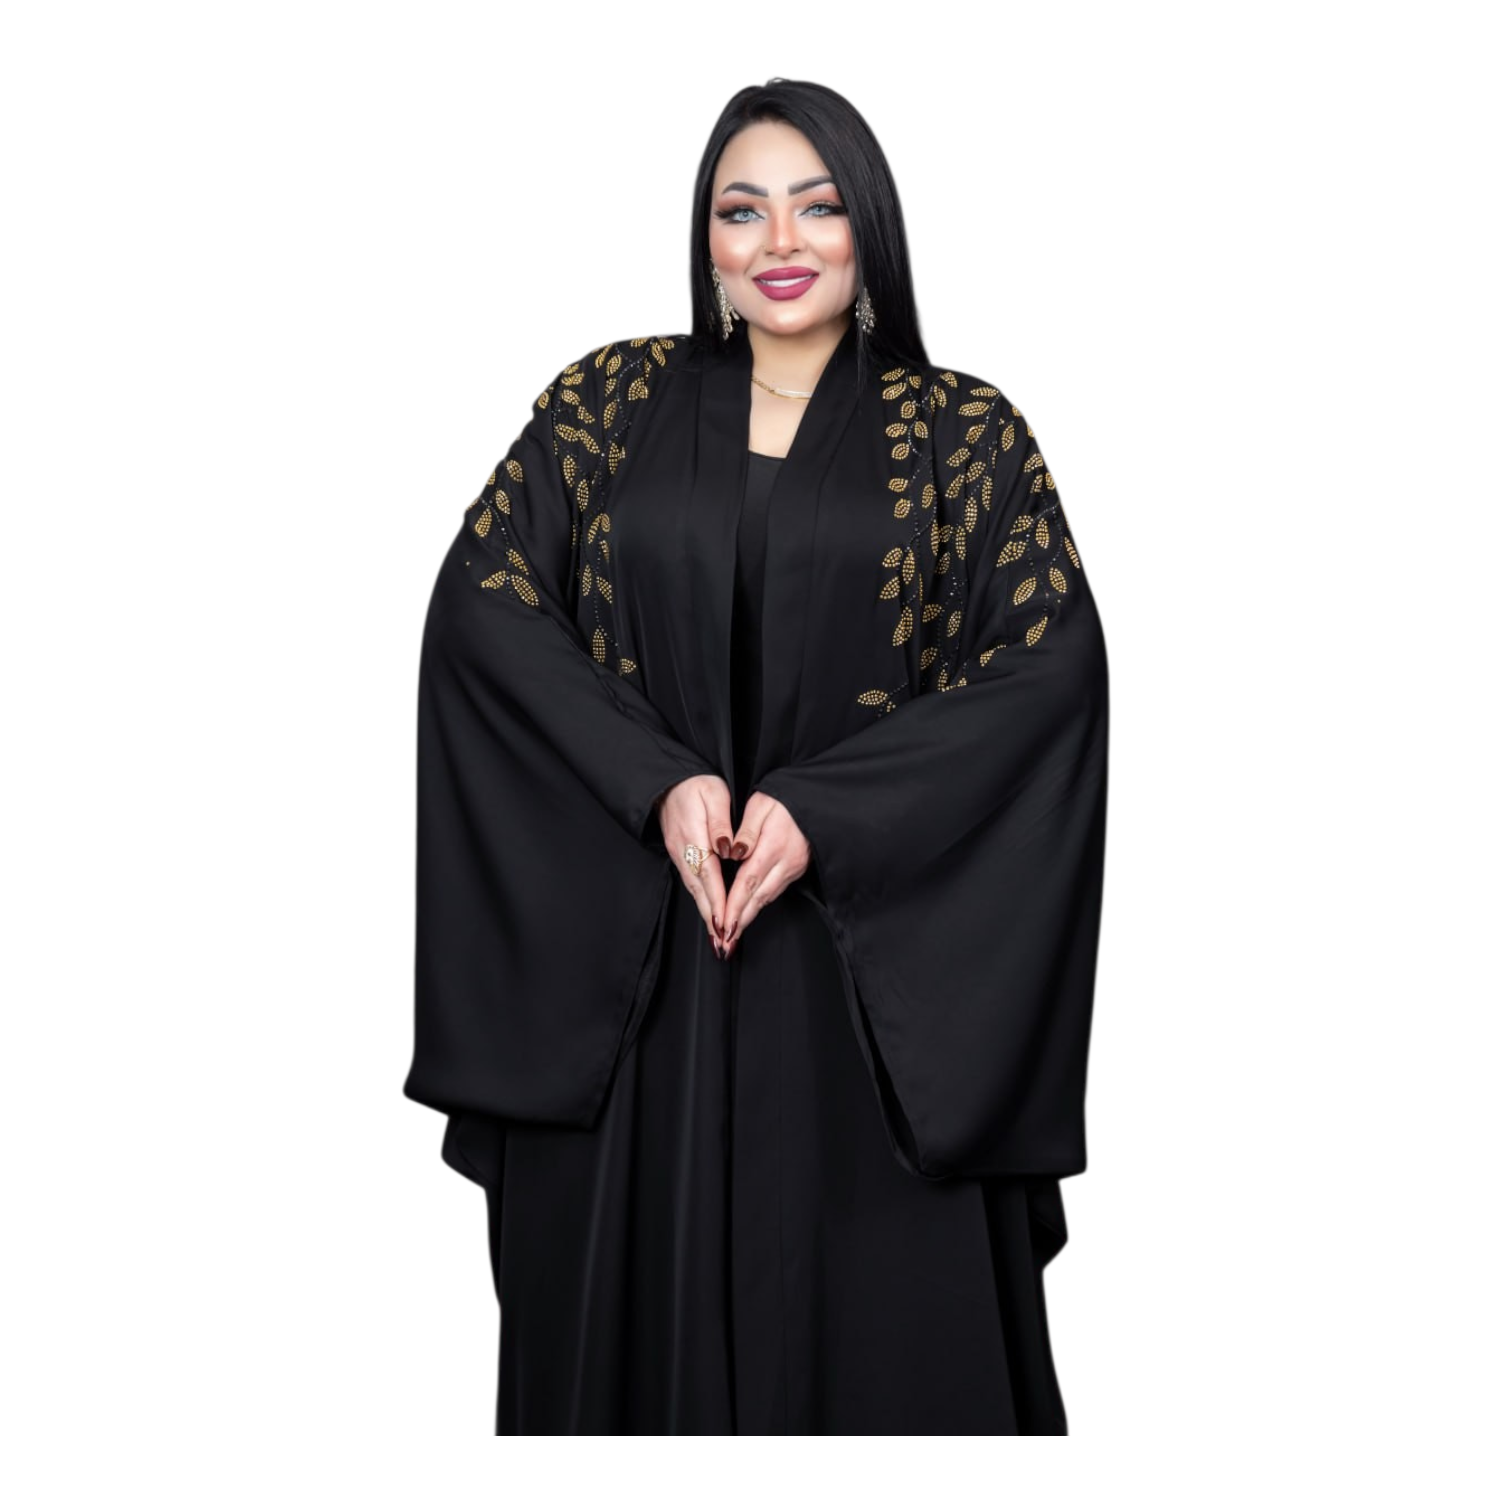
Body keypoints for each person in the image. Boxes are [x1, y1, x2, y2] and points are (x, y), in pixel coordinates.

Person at [404, 77, 1110, 1435]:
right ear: (708, 240)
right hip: (641, 983)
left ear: (869, 226)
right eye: (743, 210)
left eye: (817, 204)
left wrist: (827, 813)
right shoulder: (610, 401)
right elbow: (485, 606)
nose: (780, 239)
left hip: (869, 1004)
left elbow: (1047, 668)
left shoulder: (963, 433)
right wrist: (657, 782)